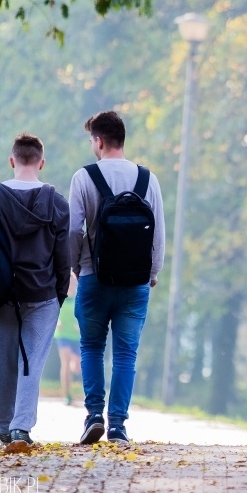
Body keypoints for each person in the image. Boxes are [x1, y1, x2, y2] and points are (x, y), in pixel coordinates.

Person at [69, 110, 165, 444]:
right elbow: (158, 234)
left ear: (99, 141)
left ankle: (94, 415)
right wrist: (152, 273)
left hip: (94, 277)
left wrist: (76, 267)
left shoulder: (84, 177)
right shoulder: (148, 179)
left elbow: (73, 230)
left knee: (92, 347)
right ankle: (118, 426)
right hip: (135, 282)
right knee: (125, 354)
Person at [0, 133, 70, 452]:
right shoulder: (57, 202)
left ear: (12, 160)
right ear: (41, 163)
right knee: (31, 363)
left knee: (1, 361)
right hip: (42, 293)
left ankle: (4, 425)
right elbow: (63, 255)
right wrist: (59, 294)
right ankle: (21, 427)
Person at [54, 273, 81, 405]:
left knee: (77, 367)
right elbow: (52, 313)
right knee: (65, 362)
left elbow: (86, 314)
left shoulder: (79, 298)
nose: (72, 284)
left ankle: (72, 368)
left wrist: (81, 324)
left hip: (76, 336)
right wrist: (57, 322)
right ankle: (67, 395)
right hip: (63, 334)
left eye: (73, 281)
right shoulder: (59, 297)